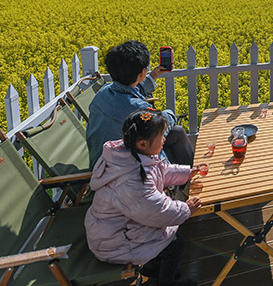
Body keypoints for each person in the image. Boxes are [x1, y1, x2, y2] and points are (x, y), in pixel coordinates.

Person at [85, 110, 202, 286]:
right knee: (175, 243)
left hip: (120, 225)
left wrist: (187, 173)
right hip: (113, 241)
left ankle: (154, 268)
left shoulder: (131, 155)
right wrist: (186, 208)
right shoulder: (131, 181)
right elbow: (157, 211)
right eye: (162, 135)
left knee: (170, 235)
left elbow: (161, 172)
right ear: (142, 143)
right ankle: (166, 281)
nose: (164, 139)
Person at [86, 40, 194, 169]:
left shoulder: (104, 91)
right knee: (174, 134)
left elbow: (130, 91)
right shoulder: (138, 109)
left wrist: (154, 75)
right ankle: (188, 179)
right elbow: (162, 124)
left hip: (101, 158)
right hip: (121, 168)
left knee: (177, 132)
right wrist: (170, 114)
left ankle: (187, 180)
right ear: (142, 73)